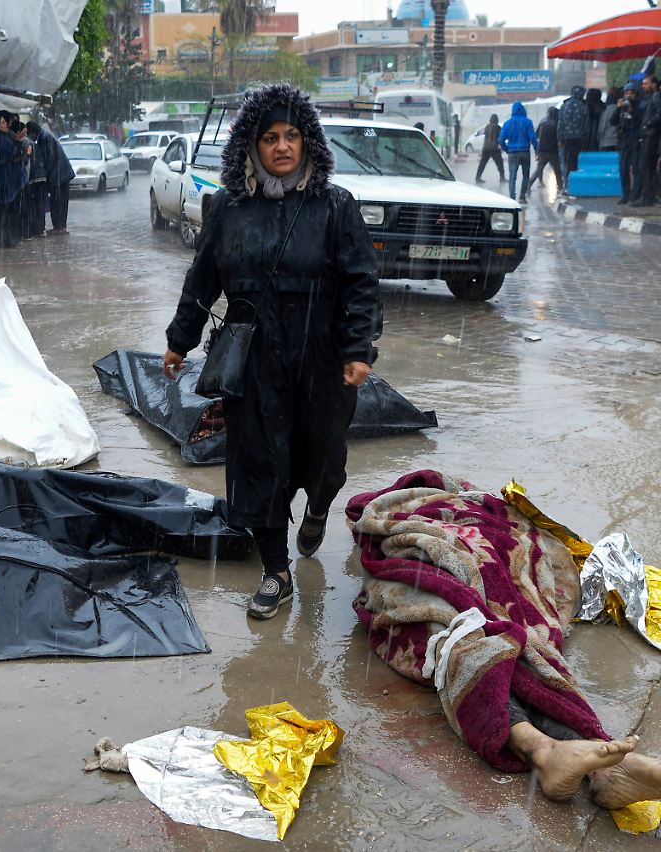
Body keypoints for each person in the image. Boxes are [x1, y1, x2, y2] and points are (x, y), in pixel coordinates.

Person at [161, 83, 382, 619]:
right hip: (254, 357)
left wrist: (358, 348)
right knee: (259, 462)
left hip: (322, 356)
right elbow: (203, 277)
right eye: (269, 138)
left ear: (308, 142)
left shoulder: (334, 206)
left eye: (292, 136)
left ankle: (320, 506)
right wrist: (179, 339)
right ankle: (275, 571)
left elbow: (360, 282)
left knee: (324, 457)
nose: (282, 147)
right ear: (251, 147)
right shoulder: (229, 208)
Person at [347, 470, 661, 811]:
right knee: (478, 636)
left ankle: (578, 759)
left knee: (471, 637)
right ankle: (574, 754)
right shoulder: (458, 504)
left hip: (452, 562)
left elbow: (372, 524)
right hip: (433, 558)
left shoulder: (471, 506)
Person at [0, 111, 27, 247]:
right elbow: (14, 156)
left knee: (1, 213)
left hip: (1, 182)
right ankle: (6, 241)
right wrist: (19, 143)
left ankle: (1, 241)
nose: (5, 125)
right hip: (4, 181)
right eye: (2, 122)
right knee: (5, 213)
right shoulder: (0, 139)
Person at [27, 122, 75, 236]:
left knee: (57, 202)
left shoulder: (44, 138)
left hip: (59, 175)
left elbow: (48, 159)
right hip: (62, 174)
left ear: (33, 132)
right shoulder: (46, 135)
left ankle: (59, 228)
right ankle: (60, 227)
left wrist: (44, 176)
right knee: (60, 202)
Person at [630, 74, 660, 208]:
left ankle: (647, 198)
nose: (643, 86)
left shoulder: (656, 96)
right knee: (648, 168)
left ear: (653, 84)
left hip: (651, 137)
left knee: (646, 168)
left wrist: (647, 124)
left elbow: (659, 113)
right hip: (648, 136)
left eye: (646, 83)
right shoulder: (650, 97)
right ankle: (650, 197)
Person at [499, 101, 537, 203]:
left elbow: (501, 140)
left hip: (512, 152)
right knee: (525, 175)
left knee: (512, 176)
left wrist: (507, 149)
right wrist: (537, 150)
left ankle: (512, 198)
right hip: (525, 152)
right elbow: (533, 138)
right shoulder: (528, 122)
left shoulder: (507, 124)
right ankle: (522, 197)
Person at [615, 82, 643, 205]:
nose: (629, 96)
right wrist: (618, 108)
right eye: (627, 93)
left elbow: (641, 123)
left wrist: (632, 111)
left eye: (631, 93)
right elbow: (613, 121)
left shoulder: (640, 107)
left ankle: (635, 195)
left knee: (636, 169)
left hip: (636, 141)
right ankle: (625, 195)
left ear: (636, 95)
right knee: (623, 169)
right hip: (624, 142)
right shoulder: (622, 107)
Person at [559, 86, 588, 185]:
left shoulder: (564, 106)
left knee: (566, 161)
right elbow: (586, 125)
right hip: (579, 139)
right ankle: (576, 183)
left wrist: (559, 139)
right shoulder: (583, 106)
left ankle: (567, 183)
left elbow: (560, 124)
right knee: (576, 161)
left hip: (566, 138)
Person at [23, 122, 49, 238]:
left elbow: (29, 162)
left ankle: (37, 229)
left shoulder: (28, 142)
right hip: (41, 177)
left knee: (36, 205)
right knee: (40, 204)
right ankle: (40, 228)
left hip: (34, 178)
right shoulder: (34, 142)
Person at [531, 106, 562, 195]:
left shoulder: (542, 123)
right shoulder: (556, 124)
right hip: (553, 151)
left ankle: (529, 184)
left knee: (539, 169)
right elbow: (558, 137)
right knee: (557, 170)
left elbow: (536, 135)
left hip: (542, 150)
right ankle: (560, 187)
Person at [474, 114, 504, 184]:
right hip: (494, 149)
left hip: (485, 148)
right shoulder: (498, 127)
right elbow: (500, 137)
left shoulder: (487, 127)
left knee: (482, 164)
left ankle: (478, 177)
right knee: (500, 164)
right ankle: (502, 177)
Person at [597, 87, 621, 151]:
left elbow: (602, 127)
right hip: (618, 141)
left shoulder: (606, 110)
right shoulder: (621, 109)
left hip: (606, 141)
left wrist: (599, 139)